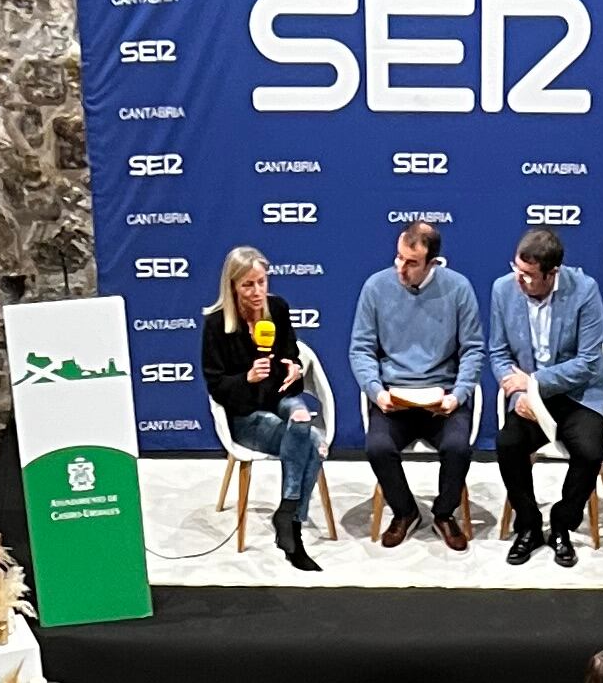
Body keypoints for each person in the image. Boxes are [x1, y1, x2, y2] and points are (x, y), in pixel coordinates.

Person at [348, 218, 483, 548]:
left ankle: (444, 513)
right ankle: (405, 512)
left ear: (432, 262)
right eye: (398, 258)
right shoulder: (375, 287)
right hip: (394, 397)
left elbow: (473, 349)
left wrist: (459, 394)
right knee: (377, 448)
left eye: (411, 262)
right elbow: (361, 348)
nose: (401, 268)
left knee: (457, 448)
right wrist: (376, 392)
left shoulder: (458, 288)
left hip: (443, 395)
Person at [489, 225, 603, 566]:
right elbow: (499, 354)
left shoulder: (585, 291)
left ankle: (562, 525)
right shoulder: (503, 289)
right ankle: (528, 525)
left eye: (528, 275)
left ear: (552, 273)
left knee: (589, 452)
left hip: (577, 395)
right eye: (517, 270)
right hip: (530, 399)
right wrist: (519, 395)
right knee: (508, 444)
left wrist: (533, 384)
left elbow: (589, 363)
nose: (520, 280)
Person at [203, 243, 327, 572]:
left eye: (262, 282)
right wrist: (246, 378)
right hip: (245, 414)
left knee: (300, 418)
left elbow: (291, 355)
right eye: (248, 284)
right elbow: (216, 386)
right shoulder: (217, 326)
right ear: (232, 286)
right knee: (312, 442)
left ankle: (286, 513)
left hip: (280, 398)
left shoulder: (278, 309)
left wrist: (294, 368)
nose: (257, 291)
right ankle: (292, 524)